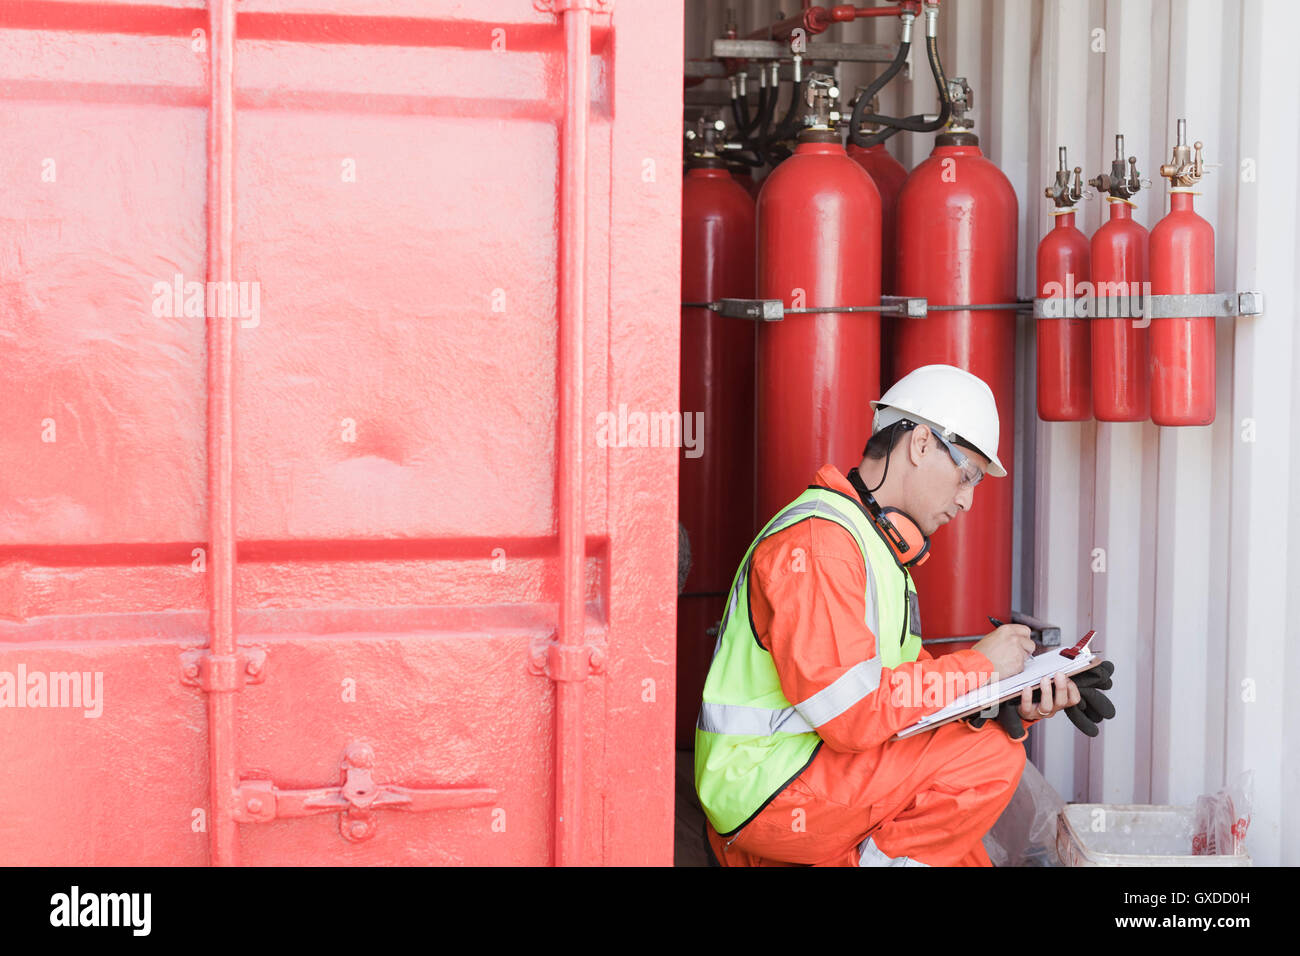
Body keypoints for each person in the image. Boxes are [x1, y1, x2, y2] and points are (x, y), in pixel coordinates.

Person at [694, 364, 1112, 866]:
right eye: (968, 475)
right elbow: (854, 716)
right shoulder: (820, 545)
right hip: (764, 790)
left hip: (810, 771)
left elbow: (904, 703)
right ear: (919, 444)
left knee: (964, 849)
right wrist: (978, 668)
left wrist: (1002, 700)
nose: (966, 500)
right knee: (989, 760)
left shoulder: (878, 550)